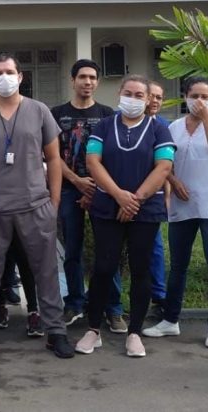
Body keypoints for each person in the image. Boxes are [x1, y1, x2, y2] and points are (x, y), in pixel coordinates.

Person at [0, 53, 74, 360]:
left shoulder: (39, 111)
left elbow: (54, 159)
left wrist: (54, 201)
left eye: (10, 71)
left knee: (46, 272)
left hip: (35, 206)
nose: (4, 77)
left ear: (21, 76)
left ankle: (55, 331)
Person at [75, 75, 174, 357]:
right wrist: (119, 195)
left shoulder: (159, 130)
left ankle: (134, 332)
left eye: (139, 95)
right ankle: (93, 329)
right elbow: (93, 162)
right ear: (120, 93)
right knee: (104, 267)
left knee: (141, 269)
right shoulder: (105, 126)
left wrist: (135, 199)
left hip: (145, 209)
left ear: (148, 99)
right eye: (128, 93)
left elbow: (163, 167)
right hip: (107, 207)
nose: (133, 98)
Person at [143, 77, 208, 348]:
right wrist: (173, 182)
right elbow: (164, 162)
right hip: (183, 204)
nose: (200, 101)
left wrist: (206, 119)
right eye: (195, 95)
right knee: (178, 265)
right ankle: (170, 320)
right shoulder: (173, 127)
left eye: (205, 96)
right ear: (185, 97)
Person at [49, 59, 118, 329]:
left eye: (92, 77)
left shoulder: (108, 114)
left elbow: (111, 155)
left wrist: (94, 187)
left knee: (107, 250)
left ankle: (113, 307)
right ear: (72, 80)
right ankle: (74, 302)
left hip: (102, 190)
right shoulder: (57, 114)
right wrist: (77, 181)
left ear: (97, 82)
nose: (87, 82)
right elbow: (52, 156)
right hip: (69, 189)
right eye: (82, 77)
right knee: (72, 251)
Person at [145, 81, 171, 319]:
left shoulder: (163, 126)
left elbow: (167, 167)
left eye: (159, 98)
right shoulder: (116, 122)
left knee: (154, 247)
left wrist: (168, 196)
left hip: (153, 197)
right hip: (120, 195)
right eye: (151, 96)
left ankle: (159, 295)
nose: (154, 101)